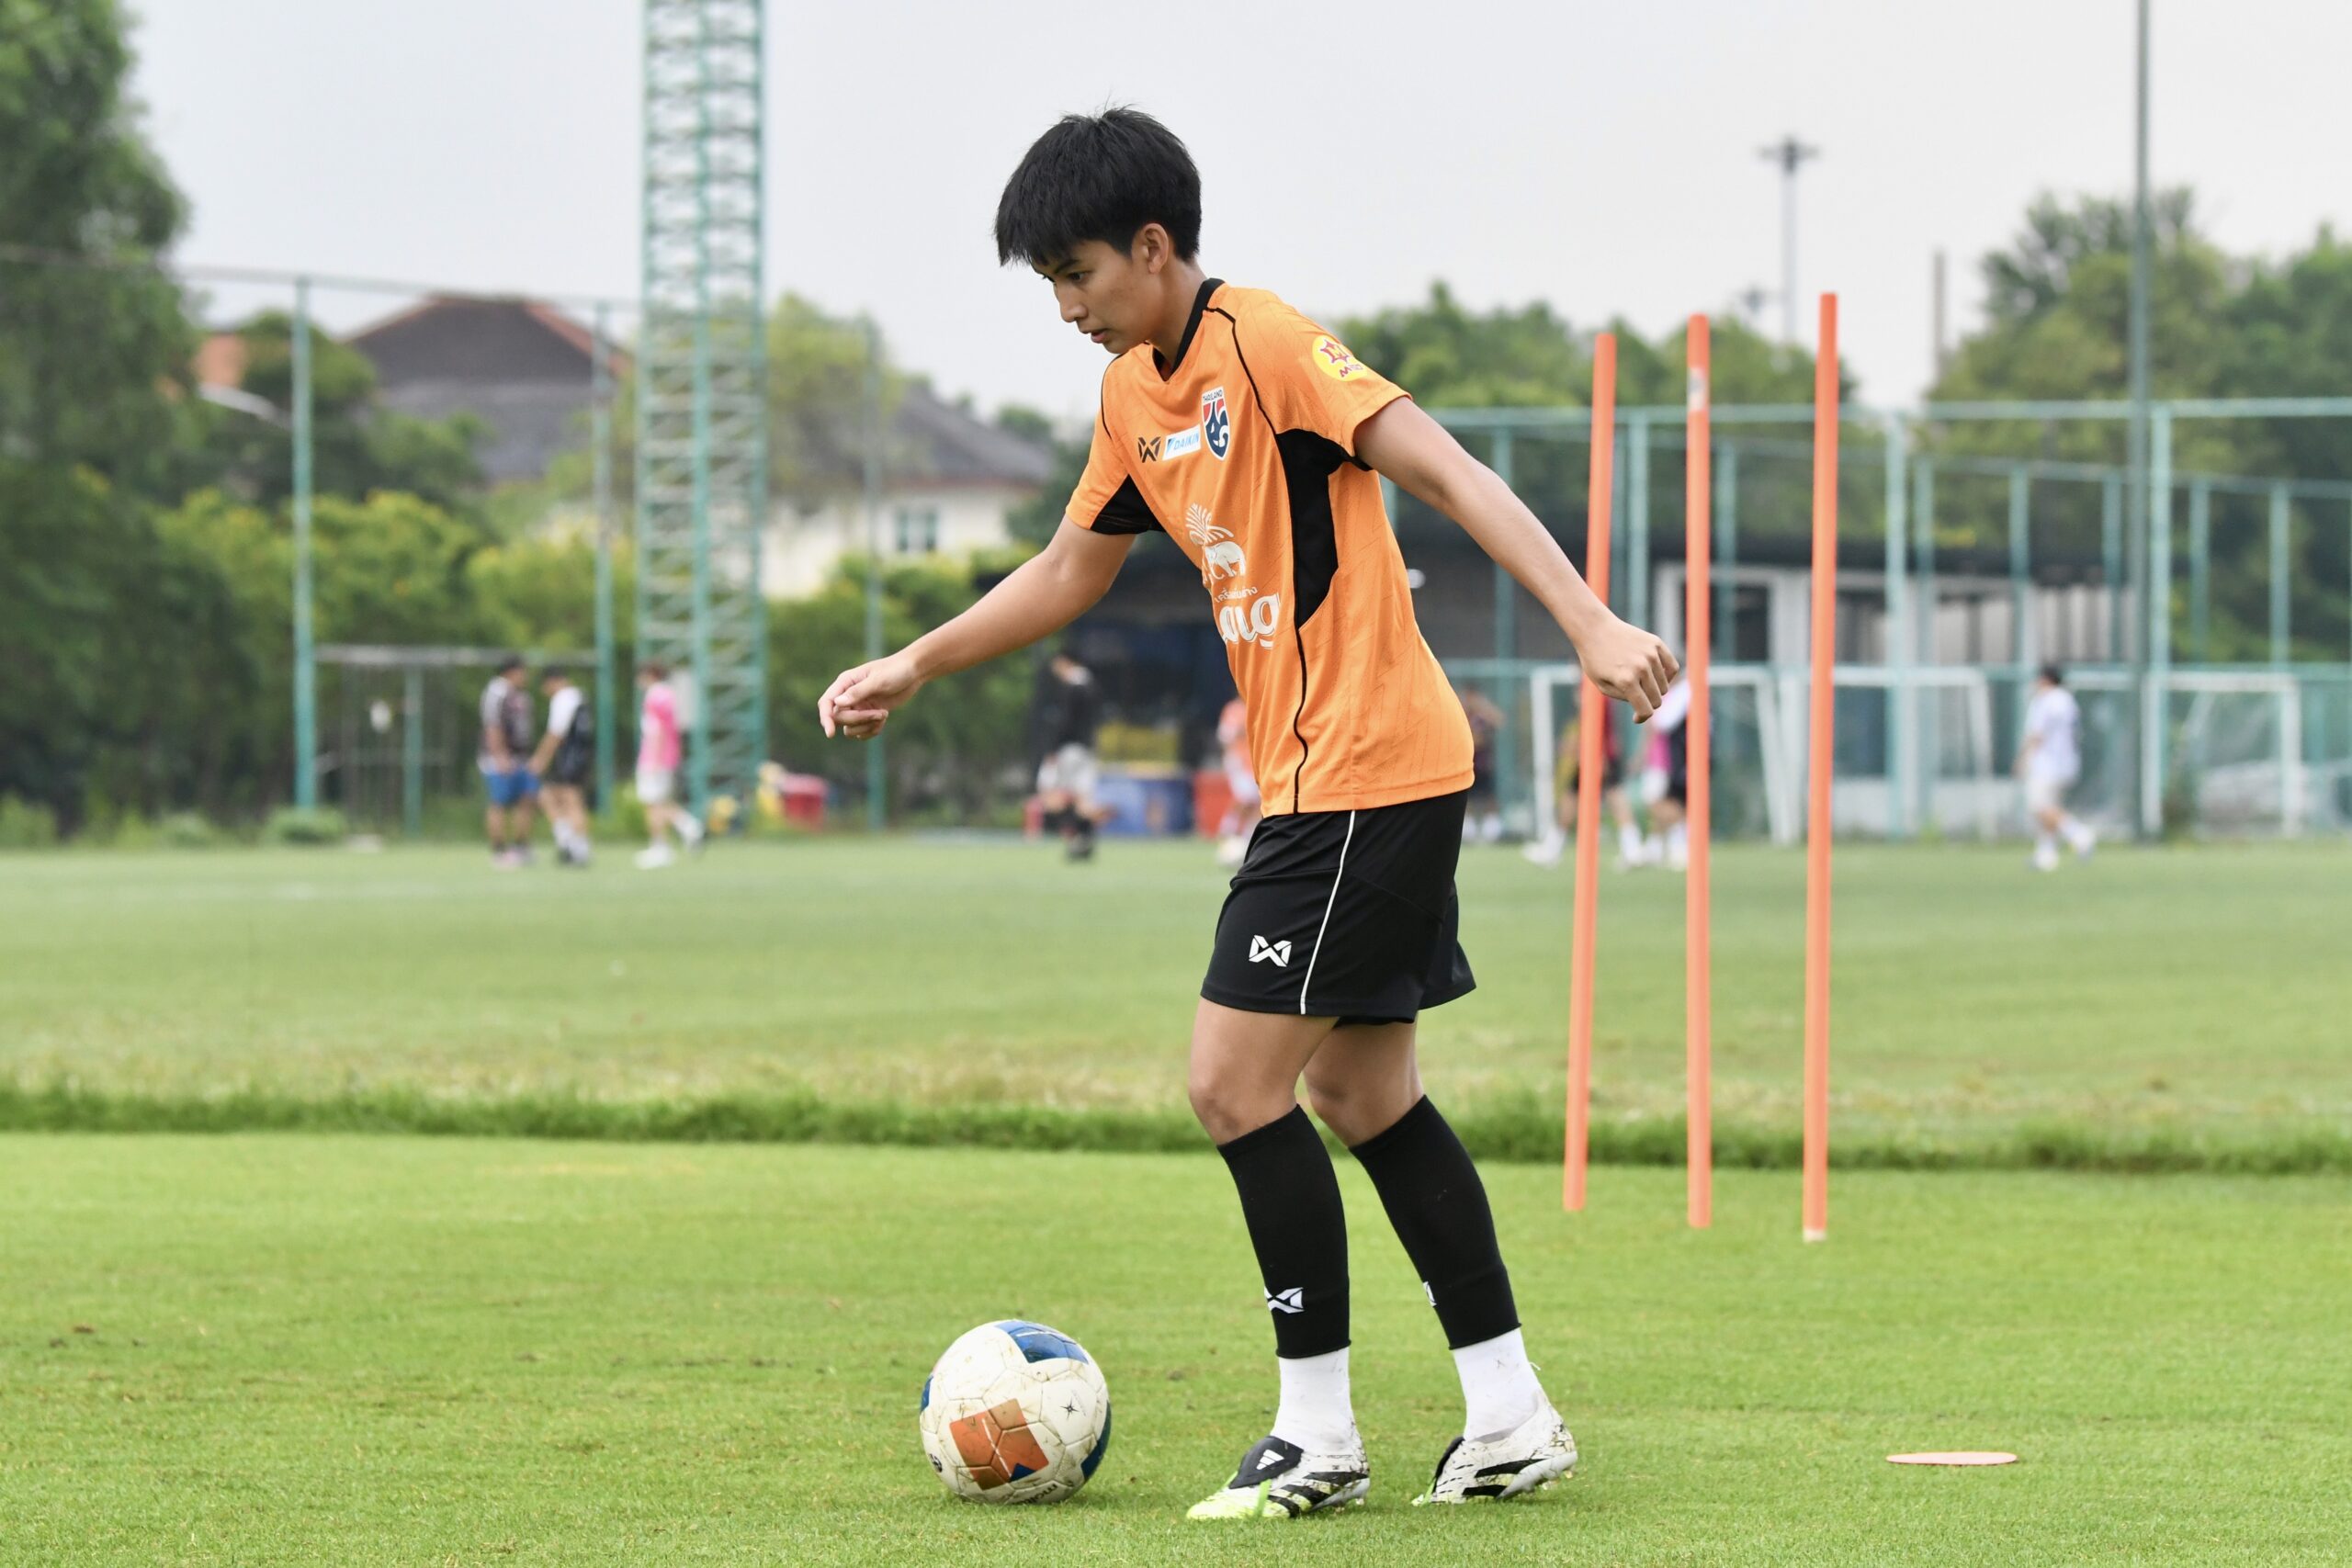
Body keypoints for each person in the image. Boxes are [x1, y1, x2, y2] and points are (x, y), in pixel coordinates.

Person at [818, 109, 1676, 1517]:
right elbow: (1068, 570)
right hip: (1339, 777)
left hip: (1363, 769)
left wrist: (1587, 619)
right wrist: (917, 660)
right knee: (1362, 1092)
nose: (1069, 306)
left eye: (1080, 273)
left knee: (1232, 1084)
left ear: (1153, 246)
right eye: (1051, 283)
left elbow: (1448, 469)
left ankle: (1316, 1434)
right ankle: (1510, 1409)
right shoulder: (1129, 400)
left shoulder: (1267, 342)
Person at [1523, 687, 1640, 870]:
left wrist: (1593, 752)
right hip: (1594, 753)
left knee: (1612, 798)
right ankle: (1632, 848)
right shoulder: (1593, 687)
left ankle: (1632, 848)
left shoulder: (1596, 688)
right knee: (1575, 798)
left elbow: (1596, 724)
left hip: (1597, 754)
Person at [2018, 663, 2095, 872]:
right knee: (2050, 808)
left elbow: (2037, 734)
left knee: (2039, 807)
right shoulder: (2067, 700)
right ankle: (2046, 855)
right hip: (2068, 761)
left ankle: (2079, 834)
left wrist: (2022, 759)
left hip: (2047, 763)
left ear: (2045, 680)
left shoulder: (2045, 700)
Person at [633, 661, 704, 870]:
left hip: (655, 757)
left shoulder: (655, 696)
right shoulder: (668, 694)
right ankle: (689, 827)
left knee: (652, 804)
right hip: (668, 756)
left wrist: (654, 759)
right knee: (661, 801)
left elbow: (657, 730)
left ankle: (661, 847)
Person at [1033, 651, 1102, 862]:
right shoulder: (1091, 684)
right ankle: (1085, 841)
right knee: (1083, 798)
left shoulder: (1073, 687)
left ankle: (1074, 840)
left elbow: (1066, 722)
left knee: (1057, 797)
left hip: (1070, 750)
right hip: (1087, 749)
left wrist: (1053, 749)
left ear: (1065, 662)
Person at [478, 655, 538, 869]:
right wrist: (500, 756)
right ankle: (499, 850)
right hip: (499, 759)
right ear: (512, 671)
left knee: (527, 799)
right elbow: (492, 725)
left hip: (521, 758)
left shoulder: (520, 695)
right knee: (499, 802)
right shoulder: (496, 692)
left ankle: (521, 847)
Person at [532, 669, 595, 867]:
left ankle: (576, 846)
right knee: (554, 797)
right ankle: (569, 841)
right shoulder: (580, 697)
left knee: (569, 800)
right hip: (580, 757)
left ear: (551, 682)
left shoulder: (563, 699)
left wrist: (540, 759)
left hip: (570, 758)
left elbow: (555, 733)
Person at [1637, 676, 1694, 871]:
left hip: (1663, 760)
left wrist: (1642, 754)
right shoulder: (1665, 695)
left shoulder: (1676, 695)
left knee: (1654, 802)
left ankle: (1684, 837)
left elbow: (1658, 725)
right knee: (1658, 802)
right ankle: (1655, 847)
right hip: (1659, 759)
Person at [1214, 693, 1260, 867]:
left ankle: (1246, 839)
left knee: (1256, 802)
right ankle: (1227, 830)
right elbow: (1226, 737)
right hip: (1239, 762)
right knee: (1246, 799)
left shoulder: (1258, 705)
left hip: (1255, 762)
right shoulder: (1234, 709)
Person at [1458, 687, 1506, 843]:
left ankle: (1492, 832)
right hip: (1466, 766)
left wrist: (1483, 706)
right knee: (1467, 799)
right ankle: (1468, 832)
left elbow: (1500, 721)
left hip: (1483, 766)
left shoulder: (1482, 717)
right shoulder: (1461, 716)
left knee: (1489, 798)